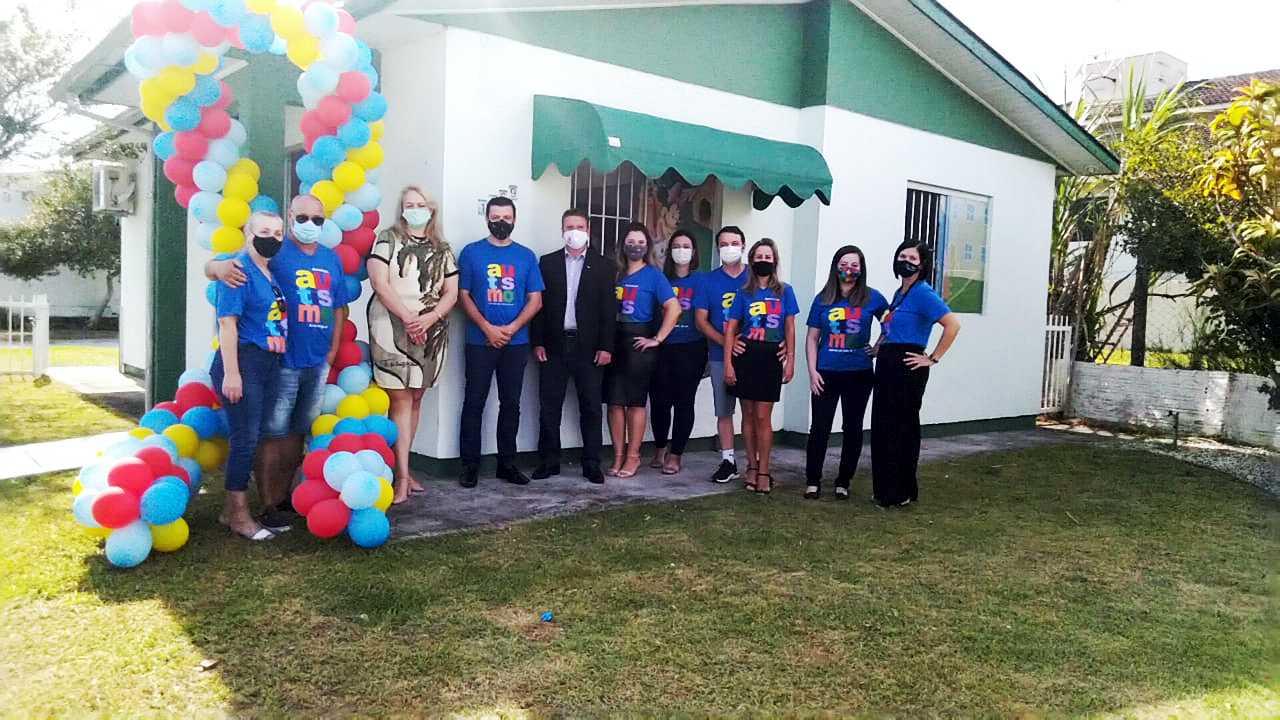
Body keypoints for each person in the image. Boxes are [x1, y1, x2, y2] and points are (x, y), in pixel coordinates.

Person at [207, 194, 353, 532]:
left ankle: (284, 499)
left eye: (318, 219)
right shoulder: (274, 252)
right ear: (290, 217)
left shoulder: (330, 259)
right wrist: (215, 267)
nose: (310, 225)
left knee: (297, 432)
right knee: (270, 433)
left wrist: (331, 353)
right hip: (280, 361)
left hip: (316, 362)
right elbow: (222, 268)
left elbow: (339, 308)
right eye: (302, 218)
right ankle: (266, 503)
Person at [366, 185, 458, 504]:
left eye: (421, 204)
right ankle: (400, 475)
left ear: (431, 209)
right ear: (401, 208)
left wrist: (429, 319)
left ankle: (404, 467)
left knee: (416, 398)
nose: (415, 209)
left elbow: (451, 292)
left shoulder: (442, 248)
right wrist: (408, 318)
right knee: (400, 400)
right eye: (409, 204)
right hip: (391, 327)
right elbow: (380, 282)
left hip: (430, 332)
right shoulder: (387, 238)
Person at [456, 197, 544, 488]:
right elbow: (463, 295)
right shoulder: (471, 253)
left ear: (514, 220)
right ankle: (470, 466)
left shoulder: (526, 256)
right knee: (474, 402)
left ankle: (507, 463)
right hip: (479, 342)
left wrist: (511, 327)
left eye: (507, 217)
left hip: (516, 342)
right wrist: (487, 328)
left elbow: (536, 299)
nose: (501, 222)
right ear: (487, 219)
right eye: (496, 217)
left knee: (511, 404)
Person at [210, 211, 288, 540]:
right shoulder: (238, 271)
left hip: (269, 363)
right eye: (265, 230)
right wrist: (232, 373)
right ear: (249, 234)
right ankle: (240, 516)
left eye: (278, 232)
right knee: (245, 439)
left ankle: (230, 510)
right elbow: (227, 324)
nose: (272, 237)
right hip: (244, 361)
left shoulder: (268, 273)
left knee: (252, 437)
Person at [870, 239, 961, 508]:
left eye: (912, 258)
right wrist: (878, 347)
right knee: (883, 426)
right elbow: (892, 327)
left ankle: (902, 490)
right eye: (902, 256)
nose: (906, 261)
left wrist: (932, 358)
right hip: (887, 362)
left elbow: (952, 325)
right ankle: (885, 489)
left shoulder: (923, 293)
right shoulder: (900, 293)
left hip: (908, 365)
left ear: (922, 265)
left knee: (902, 427)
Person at [530, 209, 616, 484]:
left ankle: (591, 463)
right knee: (549, 406)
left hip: (589, 347)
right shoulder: (547, 262)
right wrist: (538, 341)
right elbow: (538, 306)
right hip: (554, 345)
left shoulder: (604, 266)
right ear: (562, 230)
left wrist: (606, 347)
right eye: (569, 226)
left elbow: (608, 311)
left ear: (588, 230)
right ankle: (549, 461)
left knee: (591, 406)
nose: (574, 231)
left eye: (579, 226)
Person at [803, 246, 888, 500]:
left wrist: (877, 348)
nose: (848, 269)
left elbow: (891, 324)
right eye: (844, 263)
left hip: (859, 374)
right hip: (826, 372)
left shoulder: (873, 297)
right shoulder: (823, 298)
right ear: (835, 266)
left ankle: (843, 481)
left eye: (854, 264)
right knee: (819, 427)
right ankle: (813, 481)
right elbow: (812, 337)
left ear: (861, 269)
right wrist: (812, 371)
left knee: (852, 428)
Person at [723, 238, 798, 494]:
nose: (763, 261)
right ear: (751, 260)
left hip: (771, 358)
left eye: (768, 256)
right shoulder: (743, 293)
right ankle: (751, 466)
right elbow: (731, 328)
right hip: (746, 357)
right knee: (748, 415)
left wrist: (791, 359)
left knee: (763, 417)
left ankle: (765, 470)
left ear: (774, 260)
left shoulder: (785, 291)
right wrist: (728, 364)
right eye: (759, 256)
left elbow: (789, 325)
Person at [605, 222, 680, 478]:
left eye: (640, 242)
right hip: (613, 341)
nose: (635, 247)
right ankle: (617, 455)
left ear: (647, 246)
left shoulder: (654, 275)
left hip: (639, 343)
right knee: (614, 403)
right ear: (622, 244)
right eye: (630, 241)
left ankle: (634, 456)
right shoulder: (614, 272)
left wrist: (657, 338)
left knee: (635, 403)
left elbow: (674, 307)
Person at [648, 230, 706, 475]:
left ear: (694, 251)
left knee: (684, 402)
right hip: (662, 348)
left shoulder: (702, 281)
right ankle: (660, 447)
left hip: (691, 348)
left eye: (686, 245)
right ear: (669, 251)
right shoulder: (661, 279)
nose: (681, 250)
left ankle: (676, 453)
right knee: (660, 402)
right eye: (677, 246)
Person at [693, 227, 748, 484]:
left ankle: (757, 463)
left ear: (744, 246)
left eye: (734, 243)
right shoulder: (708, 281)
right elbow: (701, 321)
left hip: (751, 355)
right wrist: (727, 343)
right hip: (718, 355)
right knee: (724, 411)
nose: (729, 247)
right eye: (724, 244)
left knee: (752, 411)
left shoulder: (754, 278)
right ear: (718, 249)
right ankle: (728, 460)